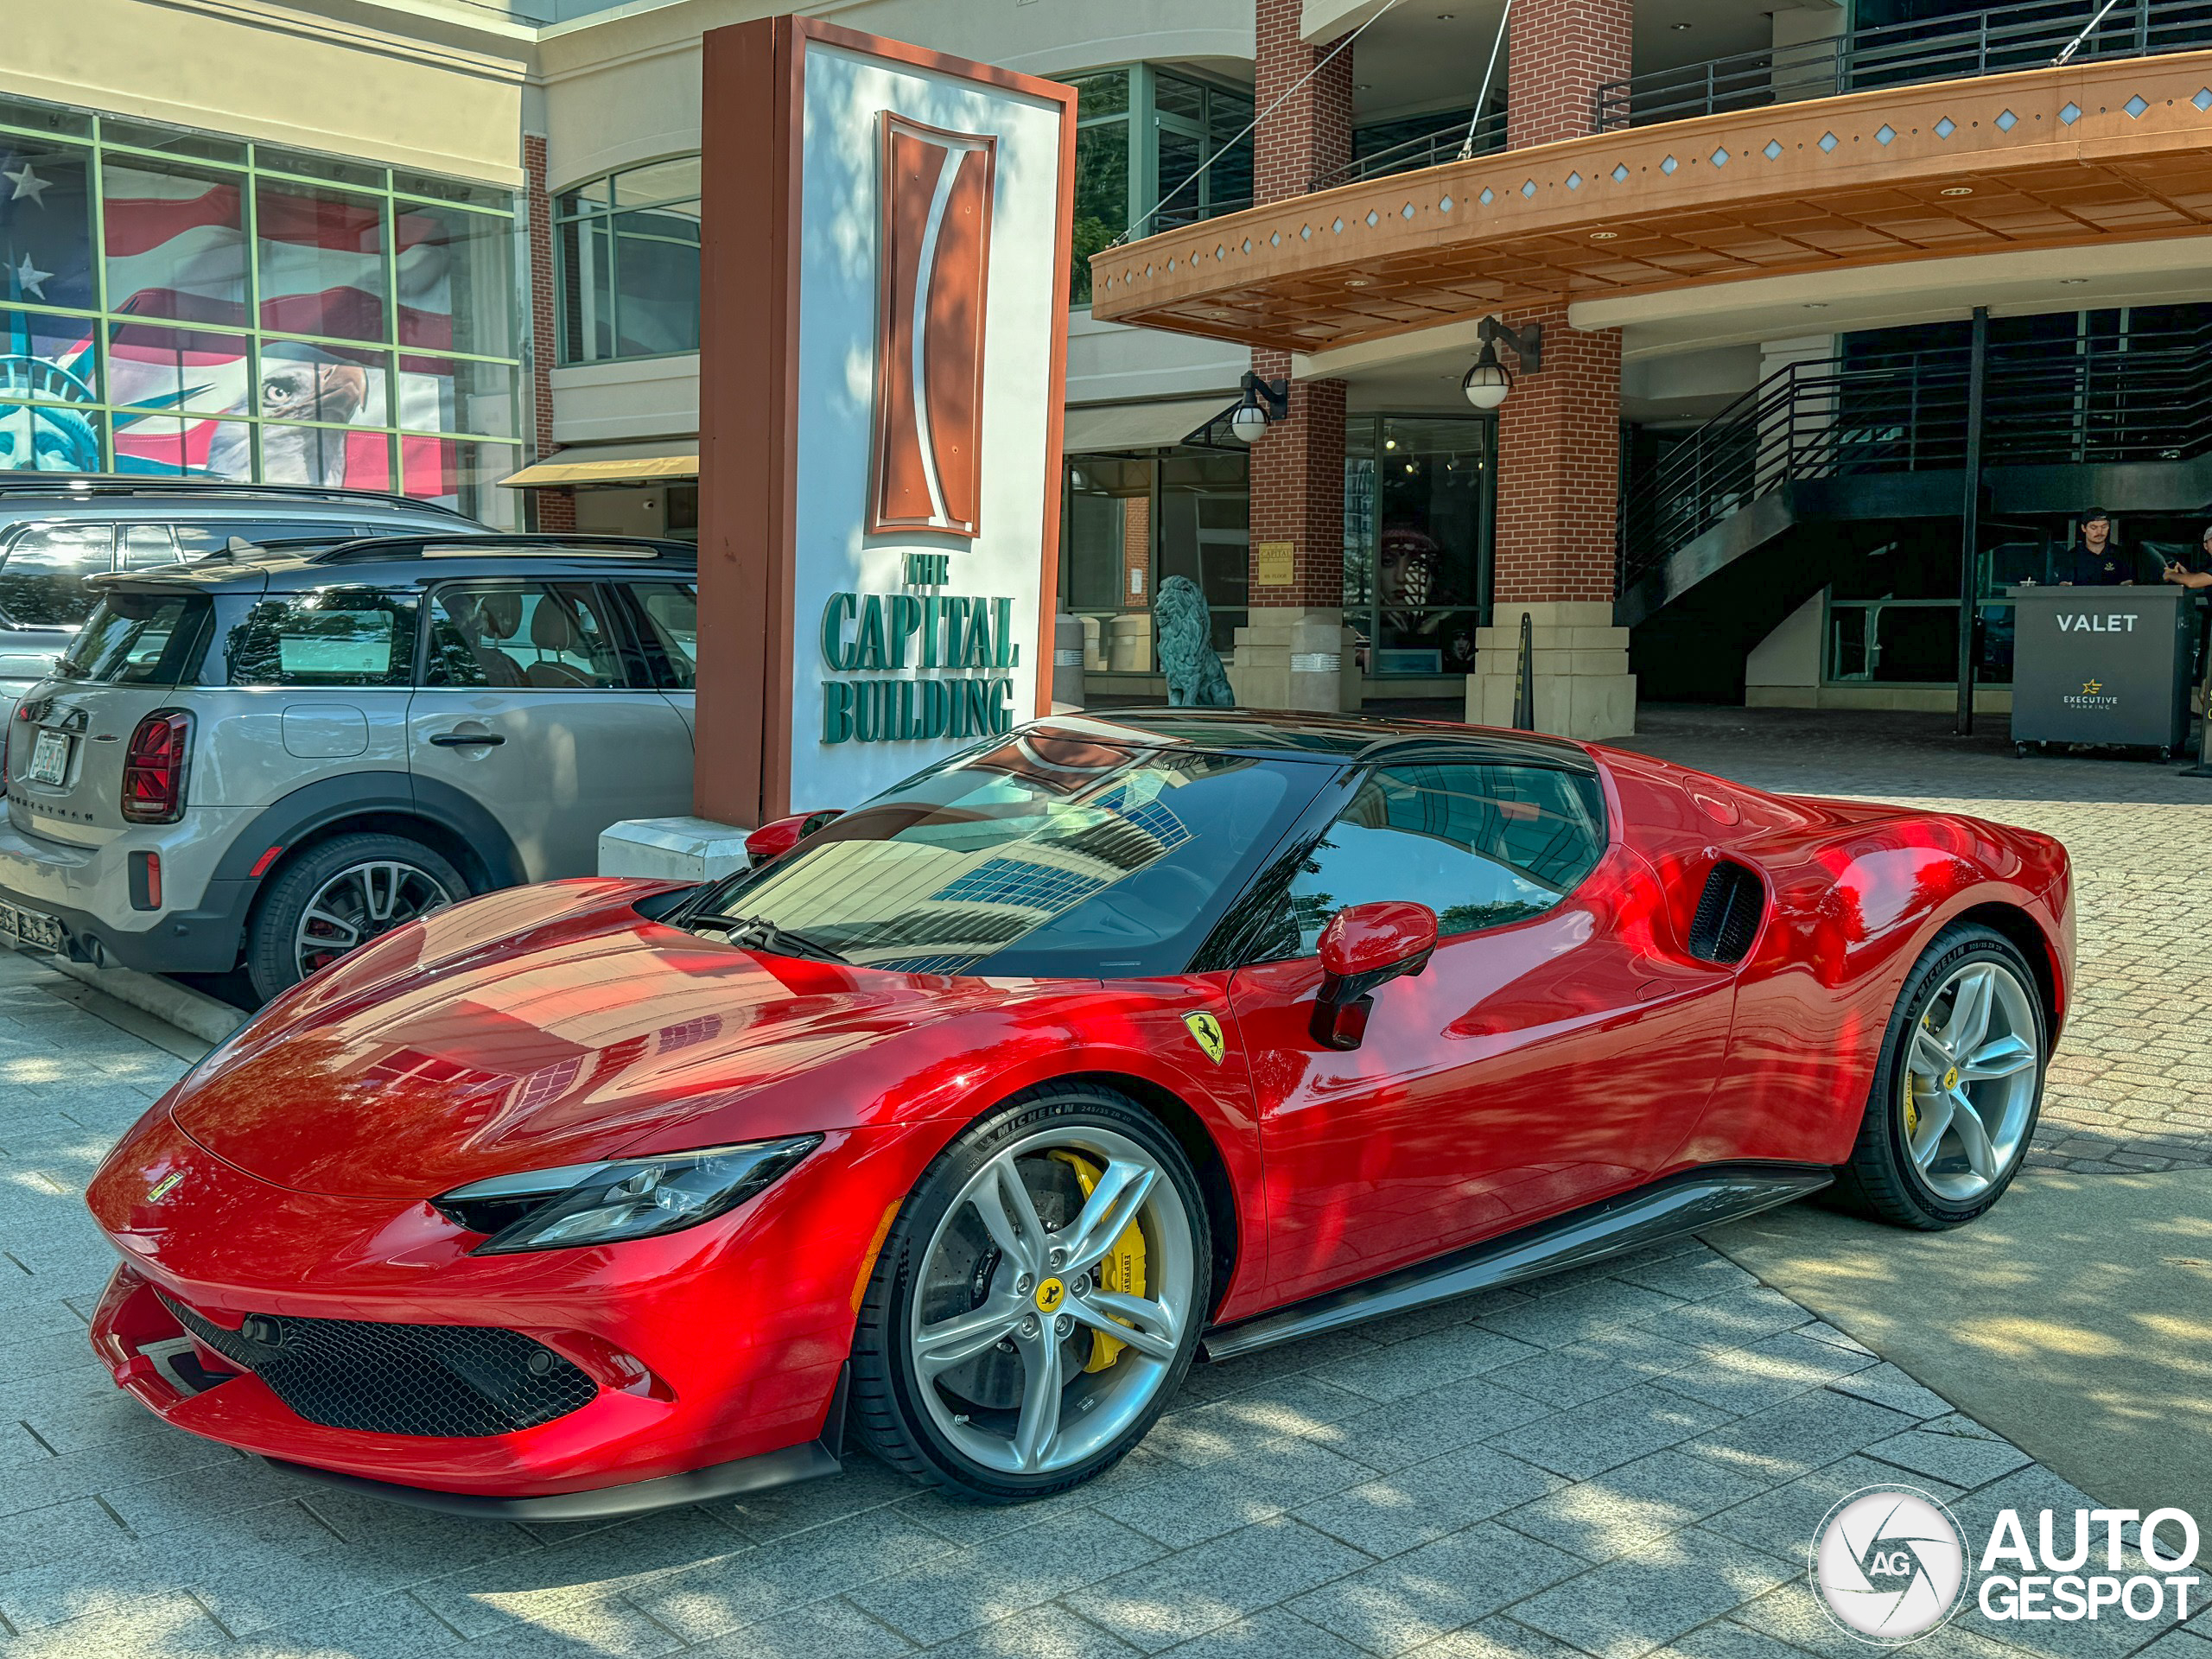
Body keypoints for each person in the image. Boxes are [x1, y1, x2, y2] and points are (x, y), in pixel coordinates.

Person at [2059, 509, 2147, 586]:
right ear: (2084, 528)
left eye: (2104, 527)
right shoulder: (2072, 556)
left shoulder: (2120, 554)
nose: (2100, 532)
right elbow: (2065, 587)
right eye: (2094, 527)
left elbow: (2128, 584)